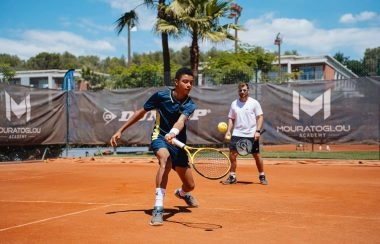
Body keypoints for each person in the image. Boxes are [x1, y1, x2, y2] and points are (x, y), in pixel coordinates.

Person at [110, 67, 198, 226]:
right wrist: (120, 130)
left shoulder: (190, 104)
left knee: (190, 186)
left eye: (191, 82)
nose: (189, 85)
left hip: (178, 143)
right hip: (160, 137)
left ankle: (181, 193)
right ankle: (158, 206)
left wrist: (173, 133)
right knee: (165, 160)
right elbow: (141, 112)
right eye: (185, 81)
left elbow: (181, 121)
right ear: (176, 82)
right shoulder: (161, 96)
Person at [221, 82, 268, 185]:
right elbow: (231, 118)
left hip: (251, 133)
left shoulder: (254, 103)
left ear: (248, 91)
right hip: (237, 133)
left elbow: (260, 117)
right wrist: (228, 131)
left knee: (256, 155)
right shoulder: (234, 103)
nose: (242, 92)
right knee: (232, 155)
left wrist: (257, 131)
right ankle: (232, 176)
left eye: (244, 90)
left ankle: (262, 175)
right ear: (238, 91)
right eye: (240, 90)